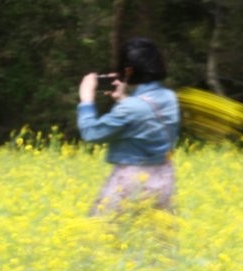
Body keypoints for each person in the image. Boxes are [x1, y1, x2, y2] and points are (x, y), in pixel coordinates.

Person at [77, 38, 179, 216]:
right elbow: (148, 120)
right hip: (163, 179)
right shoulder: (170, 98)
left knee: (99, 237)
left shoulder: (130, 108)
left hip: (131, 184)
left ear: (129, 70)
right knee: (154, 240)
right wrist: (123, 99)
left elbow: (91, 133)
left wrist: (86, 98)